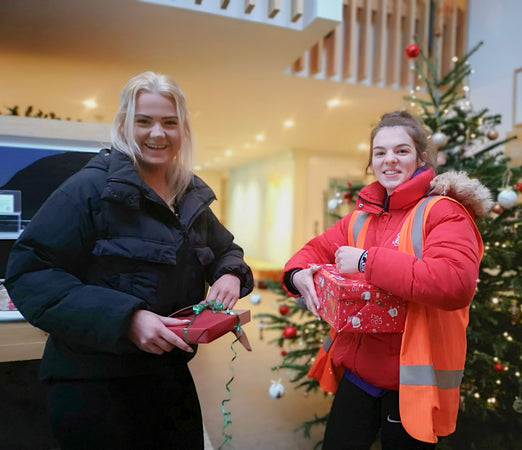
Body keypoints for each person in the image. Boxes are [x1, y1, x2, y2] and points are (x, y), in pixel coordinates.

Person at [5, 71, 254, 450]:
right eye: (144, 121)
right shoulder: (88, 189)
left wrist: (230, 275)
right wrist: (128, 319)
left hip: (167, 376)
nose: (158, 133)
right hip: (93, 383)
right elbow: (30, 272)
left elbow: (225, 251)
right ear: (124, 124)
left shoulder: (189, 193)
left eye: (169, 122)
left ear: (182, 129)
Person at [282, 111, 491, 449]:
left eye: (401, 151)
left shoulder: (445, 212)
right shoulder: (361, 217)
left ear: (421, 158)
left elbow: (455, 283)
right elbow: (313, 250)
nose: (389, 160)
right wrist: (296, 275)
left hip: (410, 384)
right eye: (380, 152)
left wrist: (366, 261)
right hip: (358, 375)